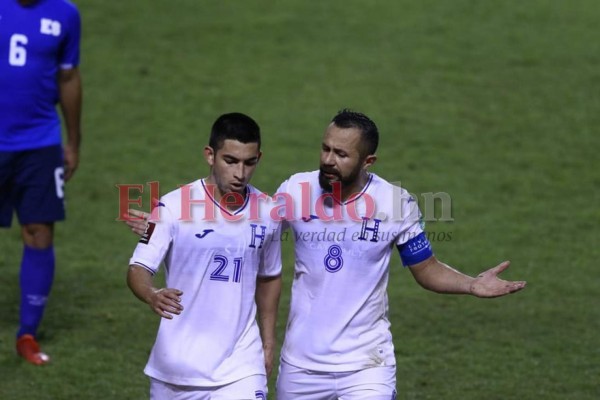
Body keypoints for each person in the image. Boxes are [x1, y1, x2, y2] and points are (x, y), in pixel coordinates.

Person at [125, 110, 526, 399]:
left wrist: (471, 284)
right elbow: (245, 220)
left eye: (342, 154)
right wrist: (169, 225)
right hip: (301, 365)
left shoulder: (395, 204)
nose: (328, 161)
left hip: (367, 363)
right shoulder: (296, 192)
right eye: (325, 149)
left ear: (367, 161)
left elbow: (427, 269)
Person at [126, 112, 282, 399]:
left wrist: (268, 340)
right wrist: (152, 294)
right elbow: (138, 267)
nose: (240, 173)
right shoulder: (172, 207)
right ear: (210, 155)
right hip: (176, 368)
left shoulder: (269, 212)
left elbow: (270, 276)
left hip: (241, 366)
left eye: (250, 163)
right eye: (230, 161)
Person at [0, 0, 82, 365]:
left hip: (39, 143)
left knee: (39, 231)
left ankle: (28, 334)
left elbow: (68, 77)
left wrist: (74, 140)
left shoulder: (65, 14)